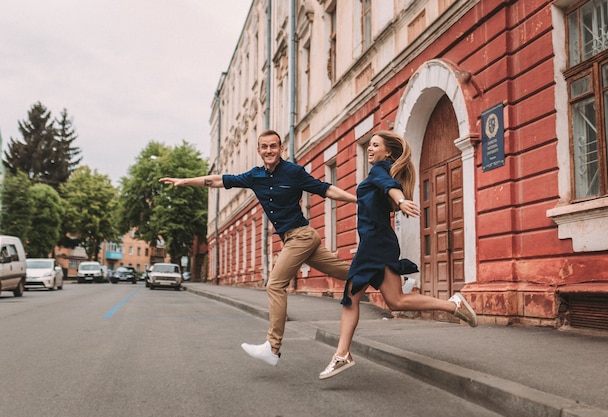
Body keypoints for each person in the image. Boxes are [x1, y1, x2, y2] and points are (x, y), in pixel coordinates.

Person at [159, 129, 356, 367]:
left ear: (281, 149)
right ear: (259, 151)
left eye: (273, 146)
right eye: (264, 147)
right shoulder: (255, 176)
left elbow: (325, 188)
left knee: (274, 285)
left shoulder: (293, 172)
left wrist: (357, 200)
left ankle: (273, 348)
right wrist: (186, 181)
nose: (269, 151)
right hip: (297, 238)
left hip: (301, 237)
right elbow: (220, 180)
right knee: (349, 273)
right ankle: (387, 275)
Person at [318, 130, 478, 380]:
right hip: (379, 242)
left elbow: (388, 185)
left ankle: (342, 354)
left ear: (388, 152)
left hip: (373, 244)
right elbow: (384, 189)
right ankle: (453, 305)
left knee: (351, 296)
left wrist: (401, 201)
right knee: (396, 301)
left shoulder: (381, 169)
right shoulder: (385, 171)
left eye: (375, 145)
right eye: (368, 145)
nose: (369, 149)